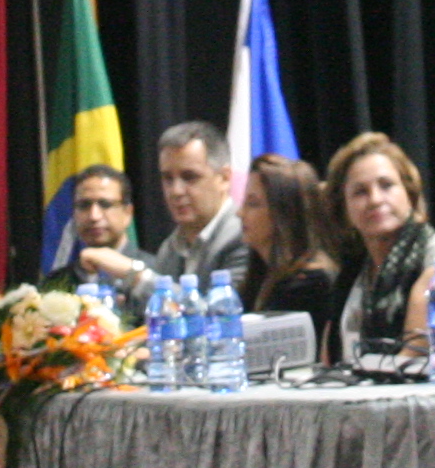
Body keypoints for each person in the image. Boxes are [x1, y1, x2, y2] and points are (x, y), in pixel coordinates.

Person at [81, 123, 244, 290]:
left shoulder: (244, 236)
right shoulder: (170, 248)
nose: (176, 191)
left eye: (190, 177)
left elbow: (224, 306)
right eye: (168, 179)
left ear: (224, 178)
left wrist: (135, 275)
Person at [325, 133, 435, 362]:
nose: (375, 199)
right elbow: (329, 360)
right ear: (344, 208)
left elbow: (414, 354)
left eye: (386, 186)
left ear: (409, 193)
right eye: (360, 192)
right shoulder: (350, 272)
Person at [236, 154, 346, 348]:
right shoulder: (262, 276)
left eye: (252, 204)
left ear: (284, 212)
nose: (239, 213)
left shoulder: (311, 284)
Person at [43, 166, 143, 302]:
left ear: (127, 213)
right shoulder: (56, 283)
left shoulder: (154, 272)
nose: (94, 216)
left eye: (105, 204)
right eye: (84, 205)